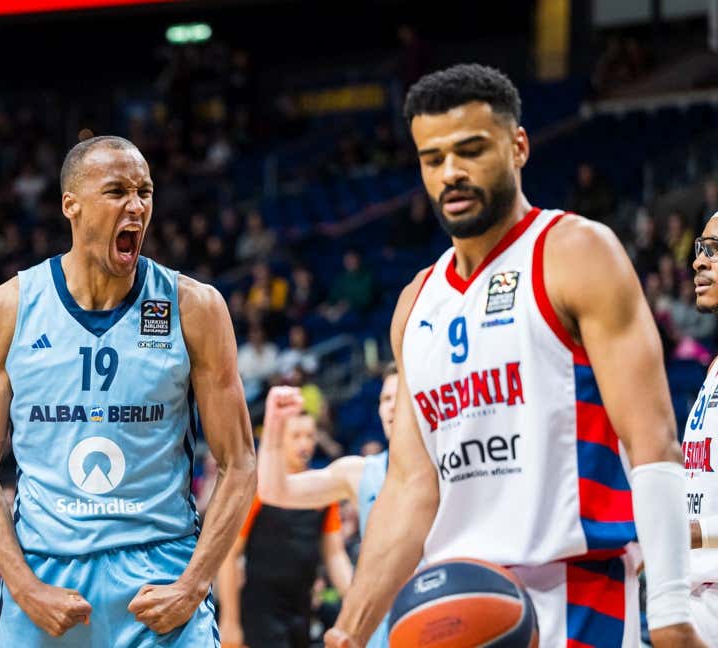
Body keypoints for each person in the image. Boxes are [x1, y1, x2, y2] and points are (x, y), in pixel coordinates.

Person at [320, 64, 702, 647]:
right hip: (454, 603)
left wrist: (672, 610)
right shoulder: (414, 303)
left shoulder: (574, 252)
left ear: (518, 146)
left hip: (577, 600)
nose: (452, 173)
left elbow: (651, 441)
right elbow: (410, 489)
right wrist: (348, 631)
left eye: (471, 150)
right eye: (433, 158)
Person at [0, 136, 256, 647]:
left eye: (145, 192)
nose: (136, 206)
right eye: (117, 191)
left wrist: (193, 584)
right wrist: (24, 588)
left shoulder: (195, 308)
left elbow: (240, 461)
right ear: (70, 205)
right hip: (47, 584)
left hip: (160, 577)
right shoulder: (4, 309)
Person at [256, 363, 399, 648]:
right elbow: (274, 490)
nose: (391, 407)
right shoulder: (360, 472)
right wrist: (273, 426)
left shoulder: (447, 463)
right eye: (385, 399)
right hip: (379, 630)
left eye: (400, 397)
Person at [217, 413, 353, 648]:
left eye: (309, 436)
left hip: (301, 606)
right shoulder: (259, 488)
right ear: (279, 440)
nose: (304, 443)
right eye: (296, 436)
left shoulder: (322, 488)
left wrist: (356, 601)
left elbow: (335, 554)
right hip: (259, 612)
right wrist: (229, 620)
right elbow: (229, 554)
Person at [682, 222, 718, 638]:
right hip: (695, 599)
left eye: (713, 250)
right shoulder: (712, 371)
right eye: (699, 248)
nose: (697, 261)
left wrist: (688, 532)